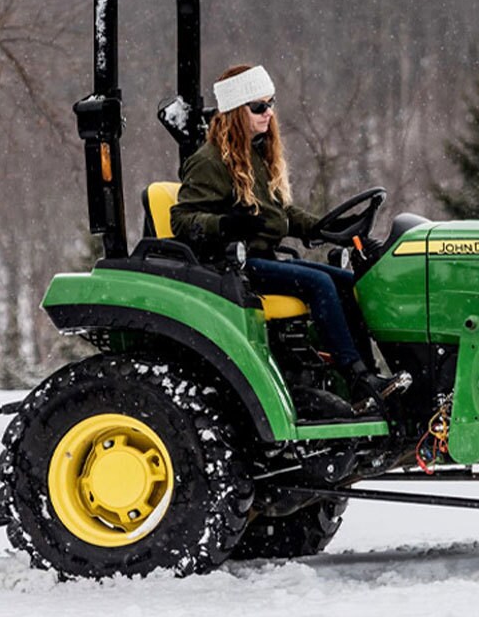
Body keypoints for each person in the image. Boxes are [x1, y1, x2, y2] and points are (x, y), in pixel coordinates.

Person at [170, 64, 405, 409]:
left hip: (262, 260)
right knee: (319, 284)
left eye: (271, 103)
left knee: (349, 281)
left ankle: (370, 378)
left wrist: (328, 229)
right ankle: (356, 378)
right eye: (259, 106)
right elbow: (182, 220)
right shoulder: (210, 161)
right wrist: (226, 225)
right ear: (236, 111)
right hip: (233, 266)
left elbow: (283, 214)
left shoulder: (255, 155)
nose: (269, 113)